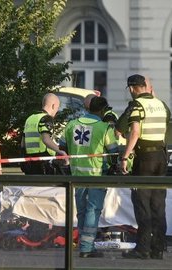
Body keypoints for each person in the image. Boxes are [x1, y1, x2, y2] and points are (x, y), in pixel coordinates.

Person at [119, 74, 170, 260]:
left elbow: (135, 132)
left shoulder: (137, 105)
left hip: (145, 158)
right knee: (158, 204)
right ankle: (158, 248)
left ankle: (142, 248)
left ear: (132, 88)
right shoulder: (161, 104)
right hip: (161, 157)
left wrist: (125, 156)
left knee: (142, 204)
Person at [61, 96, 118, 258]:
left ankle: (83, 245)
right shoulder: (104, 128)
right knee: (93, 210)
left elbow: (62, 147)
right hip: (96, 175)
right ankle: (87, 247)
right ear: (102, 110)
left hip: (76, 176)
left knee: (81, 211)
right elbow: (113, 151)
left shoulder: (71, 125)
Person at [21, 93, 67, 175]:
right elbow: (46, 139)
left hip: (30, 163)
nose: (56, 111)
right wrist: (60, 151)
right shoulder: (46, 118)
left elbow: (23, 143)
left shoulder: (30, 118)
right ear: (53, 106)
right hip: (44, 162)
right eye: (57, 108)